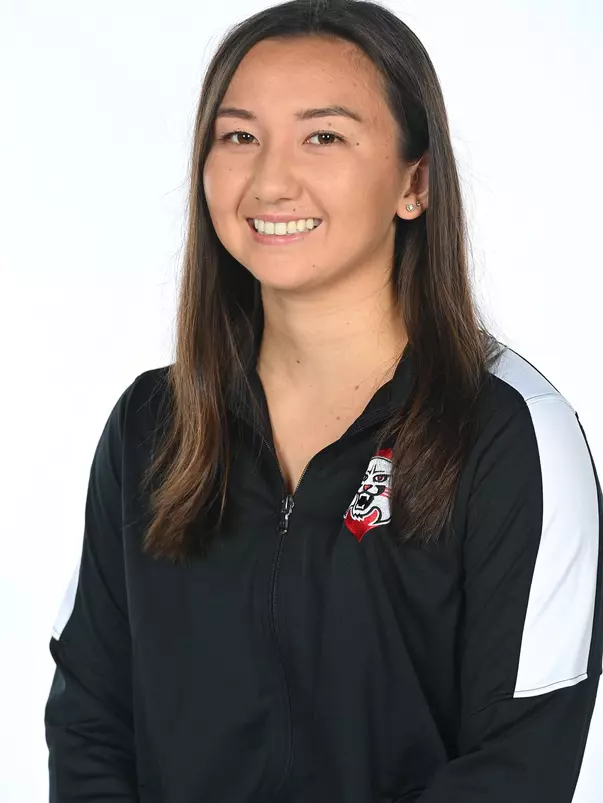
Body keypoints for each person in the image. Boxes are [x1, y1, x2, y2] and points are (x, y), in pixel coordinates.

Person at [44, 0, 603, 801]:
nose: (270, 180)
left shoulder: (511, 431)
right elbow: (91, 718)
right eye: (239, 136)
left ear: (414, 182)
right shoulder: (151, 425)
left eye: (323, 136)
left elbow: (519, 760)